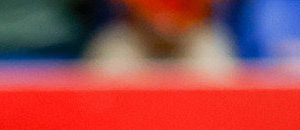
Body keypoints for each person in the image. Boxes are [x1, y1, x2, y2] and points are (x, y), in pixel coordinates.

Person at [84, 0, 237, 75]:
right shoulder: (114, 48)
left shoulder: (210, 46)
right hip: (134, 36)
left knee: (211, 58)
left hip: (193, 36)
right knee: (114, 58)